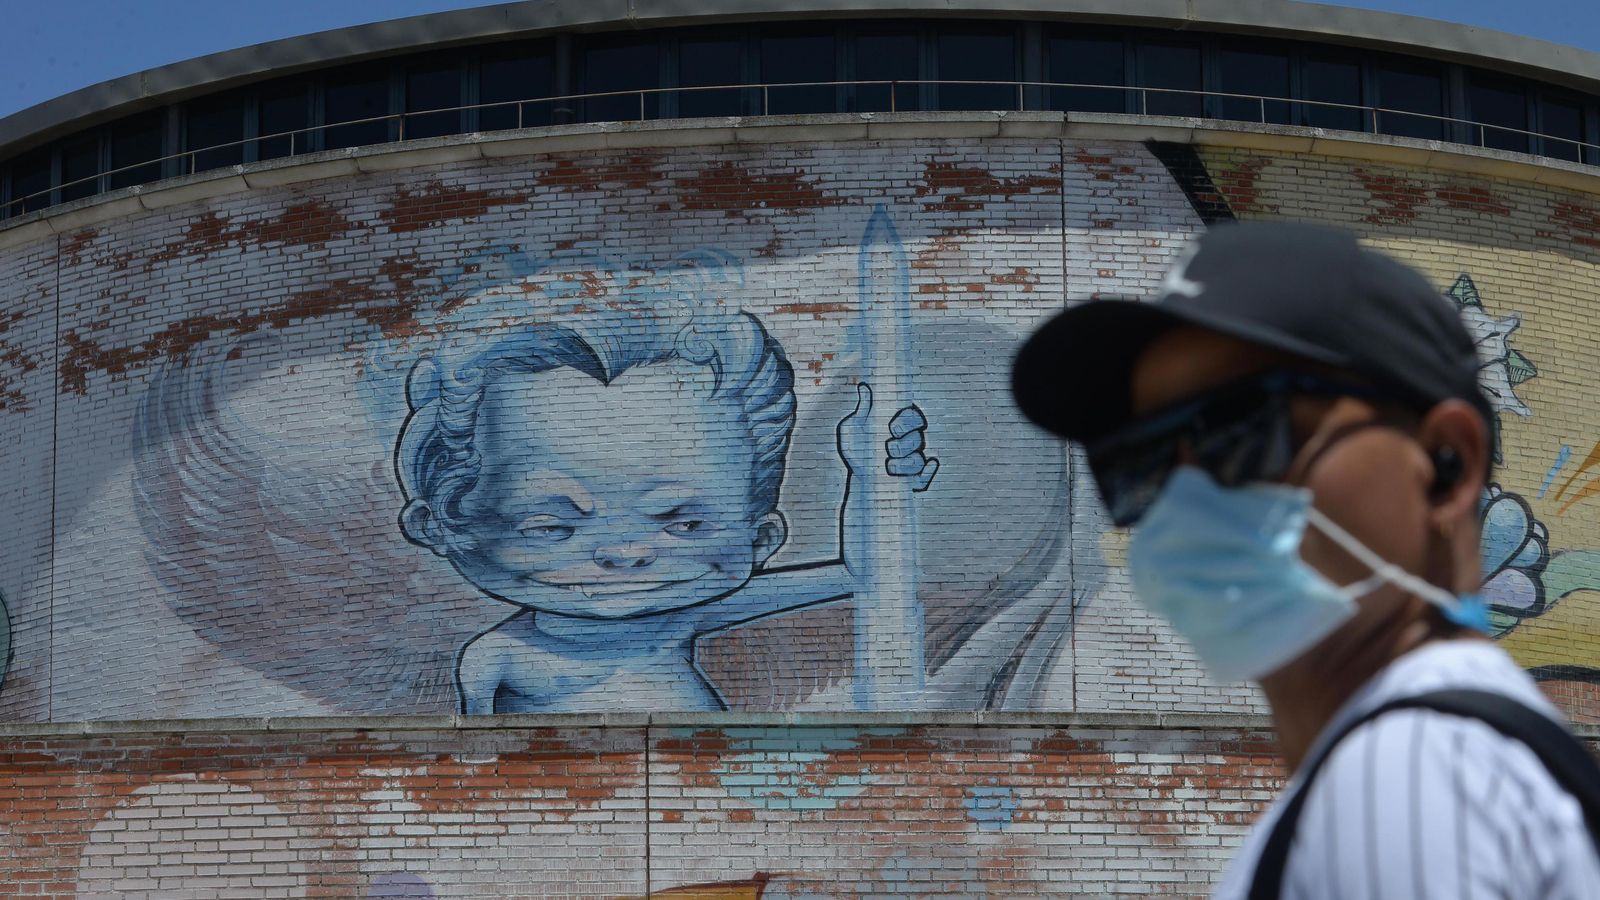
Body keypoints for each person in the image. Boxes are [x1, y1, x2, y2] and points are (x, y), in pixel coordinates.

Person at [1011, 222, 1599, 898]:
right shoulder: (1425, 766)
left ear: (1448, 467)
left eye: (1239, 430)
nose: (1186, 499)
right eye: (1139, 466)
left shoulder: (1405, 773)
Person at [395, 303, 937, 713]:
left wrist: (870, 478)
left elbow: (862, 574)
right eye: (551, 526)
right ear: (440, 526)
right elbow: (473, 777)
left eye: (685, 523)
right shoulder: (494, 659)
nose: (624, 552)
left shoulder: (680, 617)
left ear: (762, 537)